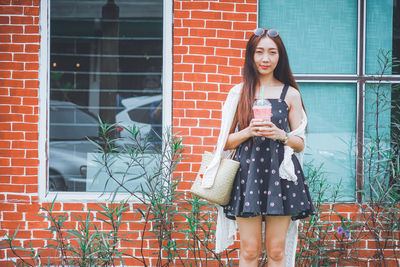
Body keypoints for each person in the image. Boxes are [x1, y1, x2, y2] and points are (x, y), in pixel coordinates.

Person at [203, 28, 316, 266]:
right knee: (250, 252)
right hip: (247, 175)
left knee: (276, 252)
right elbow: (223, 143)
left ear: (280, 57)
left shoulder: (291, 94)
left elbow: (300, 144)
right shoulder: (239, 92)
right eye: (259, 52)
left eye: (272, 53)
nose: (265, 59)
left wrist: (281, 135)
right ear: (251, 56)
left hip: (282, 177)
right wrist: (247, 132)